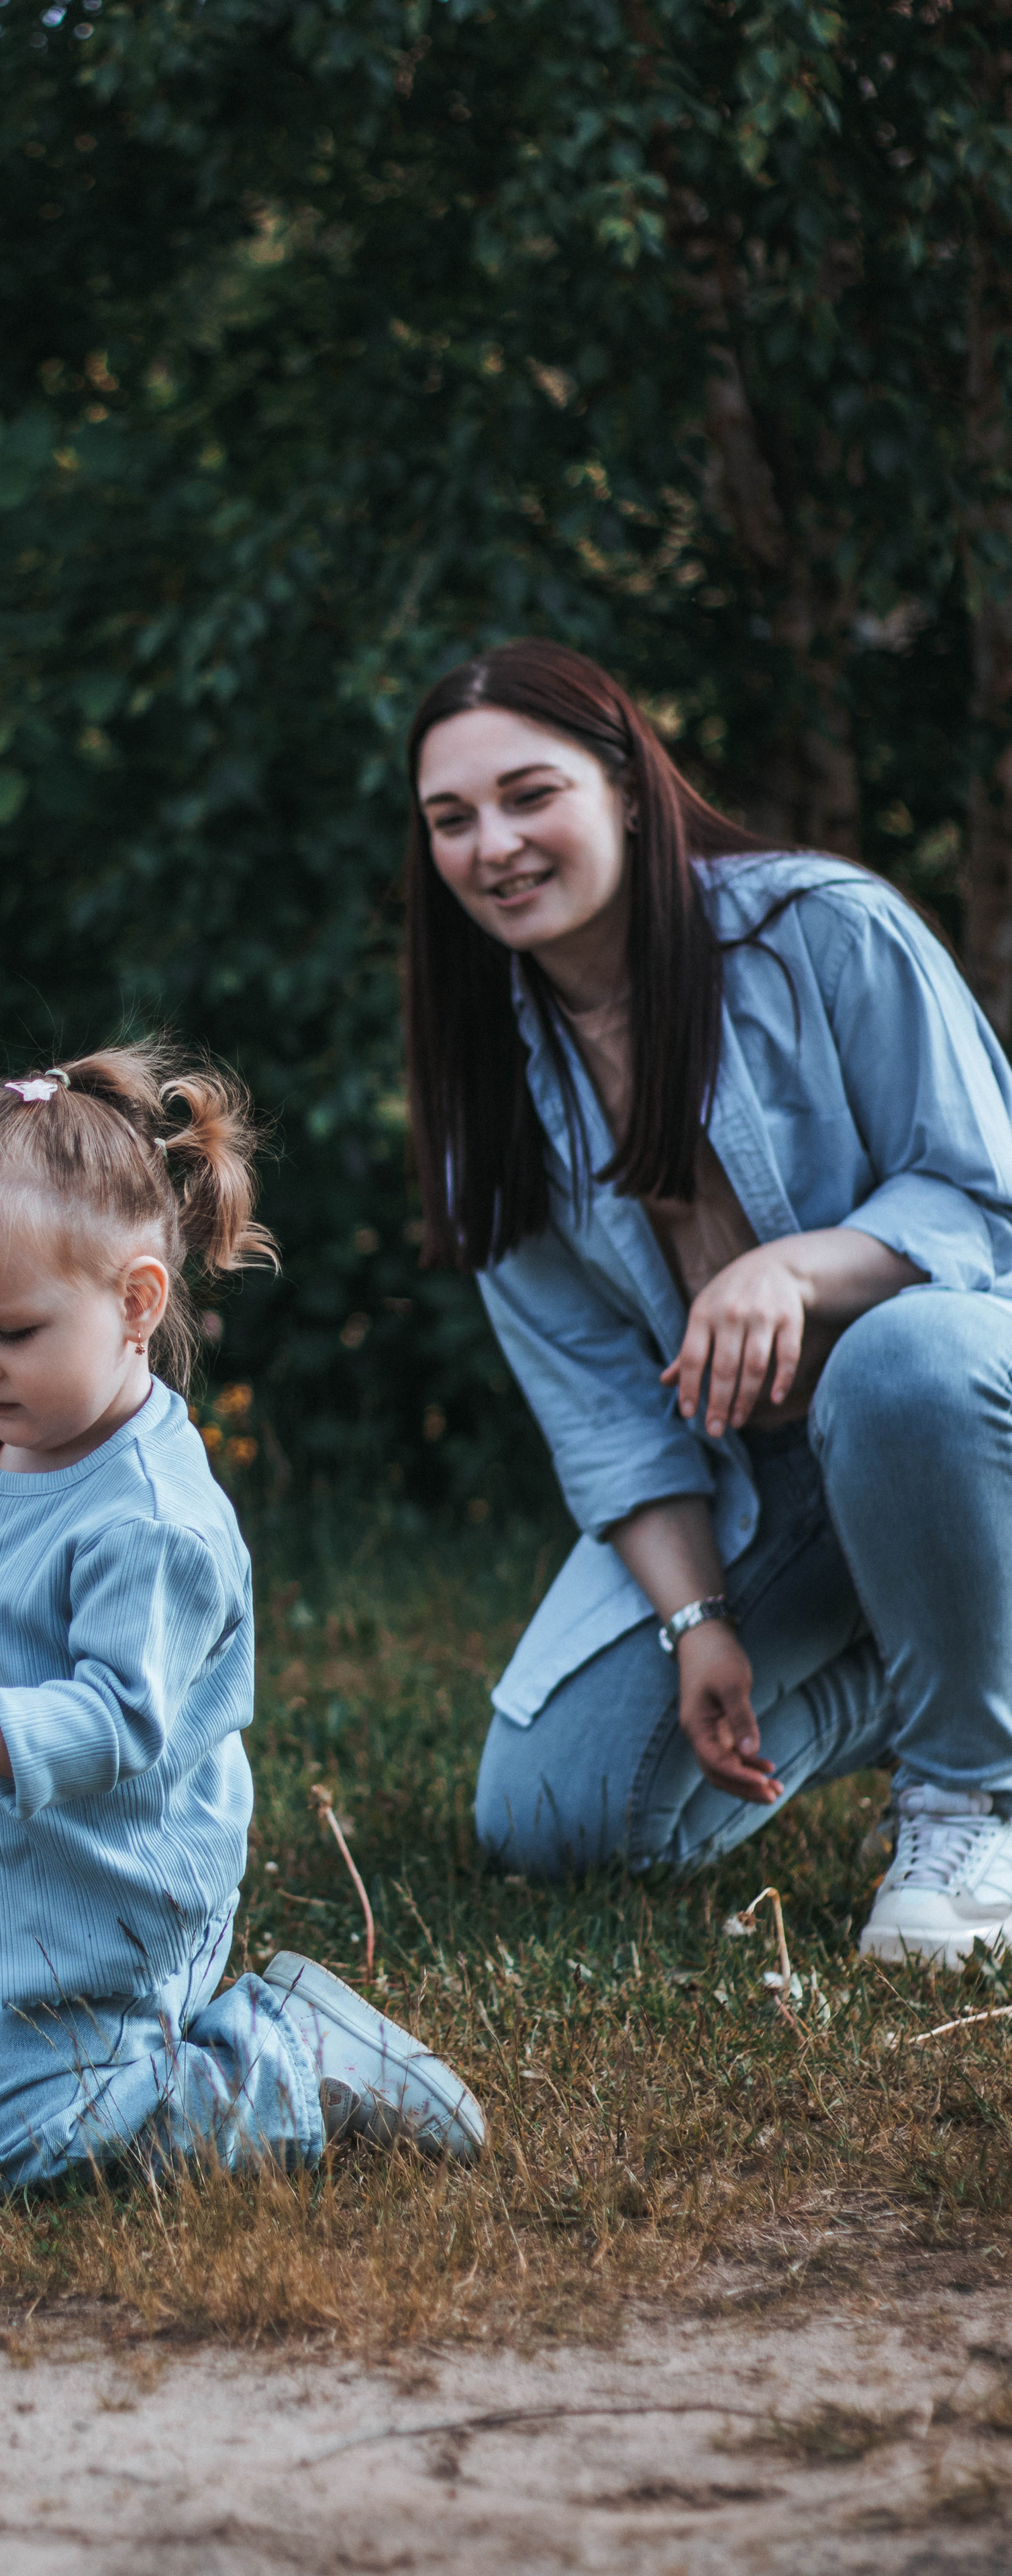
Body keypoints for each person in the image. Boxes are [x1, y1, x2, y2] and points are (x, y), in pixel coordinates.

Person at [0, 1044, 485, 2189]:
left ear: (137, 1299)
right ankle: (7, 2035)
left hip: (111, 1914)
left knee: (16, 2152)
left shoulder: (153, 1523)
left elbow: (113, 1725)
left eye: (11, 1332)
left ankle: (288, 2055)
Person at [402, 635, 1012, 1967]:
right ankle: (939, 1695)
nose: (491, 845)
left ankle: (970, 1798)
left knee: (892, 1359)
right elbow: (602, 1410)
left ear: (621, 784)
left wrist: (795, 1264)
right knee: (552, 1812)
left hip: (968, 1401)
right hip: (767, 1480)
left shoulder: (819, 931)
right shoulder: (486, 1093)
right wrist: (697, 1624)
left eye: (527, 794)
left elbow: (987, 1202)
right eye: (450, 820)